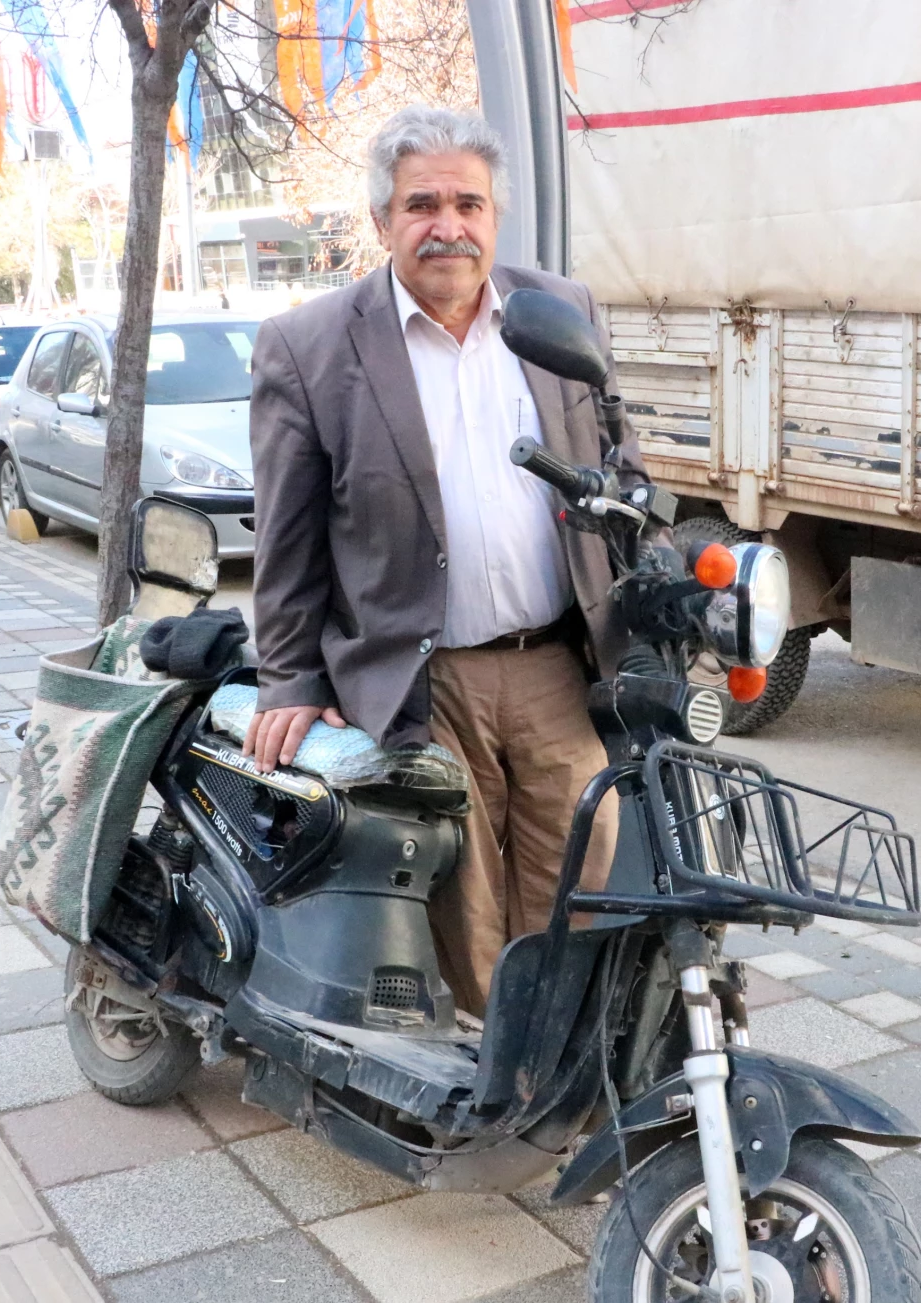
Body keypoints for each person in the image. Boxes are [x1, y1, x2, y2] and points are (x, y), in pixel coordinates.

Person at [245, 104, 654, 1016]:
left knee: (578, 863)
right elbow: (288, 538)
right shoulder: (310, 347)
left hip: (552, 661)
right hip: (417, 673)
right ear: (384, 221)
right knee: (461, 892)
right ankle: (483, 1062)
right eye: (421, 204)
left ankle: (550, 1049)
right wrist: (289, 678)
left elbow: (618, 460)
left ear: (494, 216)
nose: (448, 225)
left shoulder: (560, 312)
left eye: (468, 203)